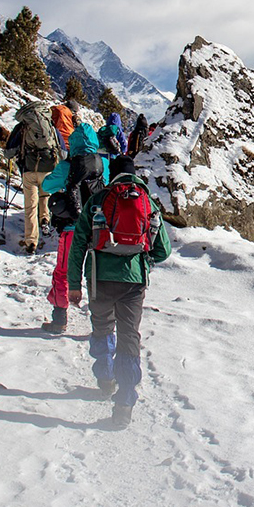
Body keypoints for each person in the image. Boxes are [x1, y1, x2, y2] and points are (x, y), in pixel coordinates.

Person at [67, 155, 171, 429]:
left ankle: (105, 379)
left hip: (99, 278)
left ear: (112, 174)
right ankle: (124, 404)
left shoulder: (98, 201)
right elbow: (163, 251)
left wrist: (74, 284)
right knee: (129, 339)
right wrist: (142, 258)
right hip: (134, 282)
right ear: (134, 174)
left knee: (101, 328)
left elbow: (78, 243)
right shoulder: (147, 202)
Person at [38, 122, 109, 333]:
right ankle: (102, 324)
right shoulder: (103, 164)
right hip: (98, 229)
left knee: (63, 272)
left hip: (71, 229)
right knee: (98, 274)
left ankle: (59, 318)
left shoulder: (67, 166)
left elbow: (46, 186)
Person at [3, 101, 67, 254]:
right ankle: (44, 219)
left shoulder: (23, 126)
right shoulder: (50, 124)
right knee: (45, 194)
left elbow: (9, 151)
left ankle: (31, 240)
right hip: (48, 168)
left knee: (30, 205)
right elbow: (63, 151)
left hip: (29, 169)